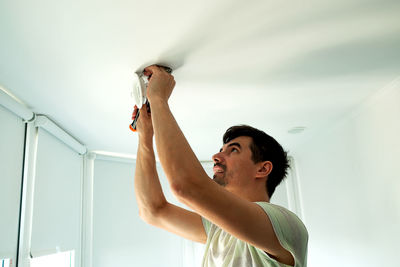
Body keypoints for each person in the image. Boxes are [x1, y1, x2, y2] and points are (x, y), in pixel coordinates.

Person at [133, 65, 308, 267]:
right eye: (222, 149)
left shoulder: (285, 225)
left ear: (262, 169)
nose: (216, 156)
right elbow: (153, 210)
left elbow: (186, 186)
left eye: (233, 150)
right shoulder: (219, 229)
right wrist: (145, 137)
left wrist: (158, 99)